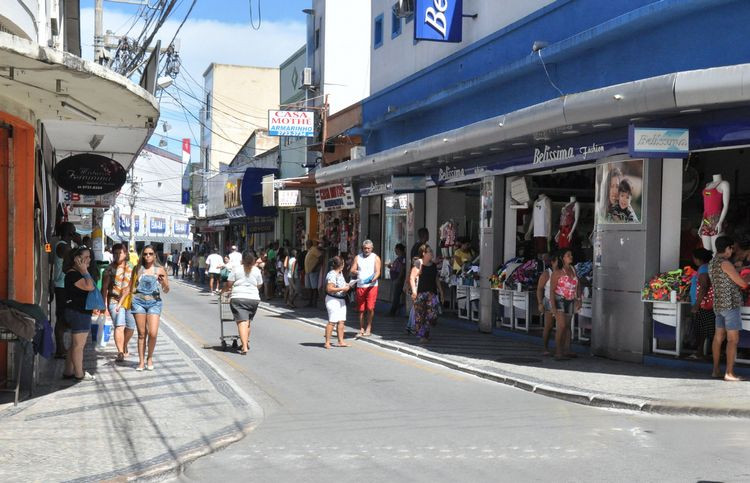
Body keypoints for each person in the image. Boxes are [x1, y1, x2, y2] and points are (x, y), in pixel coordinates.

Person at [709, 236, 750, 381]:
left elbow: (729, 272)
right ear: (727, 249)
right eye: (731, 248)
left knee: (718, 337)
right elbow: (742, 284)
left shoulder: (713, 263)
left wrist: (743, 268)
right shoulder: (726, 263)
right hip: (730, 305)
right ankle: (729, 373)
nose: (732, 251)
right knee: (733, 340)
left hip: (719, 305)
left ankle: (716, 370)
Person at [130, 245, 170, 371]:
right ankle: (141, 361)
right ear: (142, 255)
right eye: (145, 254)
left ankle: (150, 357)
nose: (148, 256)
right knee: (142, 334)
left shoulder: (160, 269)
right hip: (139, 302)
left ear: (154, 255)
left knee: (153, 333)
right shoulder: (138, 269)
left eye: (150, 254)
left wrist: (163, 282)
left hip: (154, 302)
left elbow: (166, 290)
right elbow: (131, 286)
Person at [62, 246, 96, 381]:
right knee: (78, 346)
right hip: (78, 312)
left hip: (77, 311)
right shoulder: (74, 274)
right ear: (77, 259)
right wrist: (84, 271)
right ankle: (79, 374)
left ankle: (68, 371)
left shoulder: (73, 274)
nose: (89, 259)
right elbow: (90, 286)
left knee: (74, 344)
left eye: (89, 256)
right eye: (86, 257)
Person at [101, 243, 135, 363]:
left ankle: (124, 344)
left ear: (125, 254)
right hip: (114, 300)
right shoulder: (109, 269)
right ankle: (120, 352)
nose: (117, 255)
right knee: (119, 326)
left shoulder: (131, 267)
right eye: (115, 253)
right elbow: (104, 288)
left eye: (120, 253)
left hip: (129, 300)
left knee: (130, 327)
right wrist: (103, 305)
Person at [224, 251, 263, 354]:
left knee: (242, 322)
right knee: (247, 322)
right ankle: (245, 343)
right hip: (253, 299)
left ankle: (244, 347)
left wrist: (225, 290)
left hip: (238, 298)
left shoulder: (236, 269)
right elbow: (259, 284)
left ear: (242, 259)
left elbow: (229, 283)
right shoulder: (256, 270)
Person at [52, 221, 81, 359]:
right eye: (73, 230)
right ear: (69, 232)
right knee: (61, 317)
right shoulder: (62, 247)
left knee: (65, 317)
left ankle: (61, 347)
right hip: (61, 286)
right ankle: (59, 348)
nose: (75, 232)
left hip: (66, 286)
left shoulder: (67, 245)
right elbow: (75, 259)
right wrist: (80, 244)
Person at [409, 245, 443, 344]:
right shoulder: (418, 263)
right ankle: (423, 335)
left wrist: (441, 291)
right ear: (424, 253)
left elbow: (436, 279)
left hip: (431, 293)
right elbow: (412, 277)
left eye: (431, 251)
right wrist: (414, 291)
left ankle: (426, 333)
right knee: (420, 315)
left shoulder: (433, 265)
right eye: (430, 251)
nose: (432, 253)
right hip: (420, 293)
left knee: (432, 315)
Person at [550, 249, 580, 360]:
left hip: (570, 299)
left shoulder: (573, 270)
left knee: (567, 326)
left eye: (571, 254)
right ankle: (558, 351)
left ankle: (567, 349)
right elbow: (552, 290)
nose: (571, 256)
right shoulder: (557, 273)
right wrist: (553, 306)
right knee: (562, 326)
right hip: (560, 299)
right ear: (563, 258)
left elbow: (578, 284)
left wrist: (578, 298)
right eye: (568, 255)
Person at [350, 240, 382, 337]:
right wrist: (356, 272)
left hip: (372, 286)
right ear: (362, 248)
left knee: (370, 308)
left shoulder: (375, 258)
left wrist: (372, 280)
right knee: (361, 309)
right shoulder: (357, 257)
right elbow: (352, 269)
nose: (367, 250)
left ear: (372, 248)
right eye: (365, 248)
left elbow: (378, 272)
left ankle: (369, 327)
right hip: (360, 286)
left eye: (368, 248)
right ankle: (361, 328)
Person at [689, 248, 715, 360]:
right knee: (705, 328)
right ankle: (704, 351)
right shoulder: (707, 267)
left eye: (694, 258)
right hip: (704, 304)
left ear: (698, 259)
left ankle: (700, 352)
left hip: (702, 304)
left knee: (702, 329)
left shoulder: (703, 268)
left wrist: (697, 304)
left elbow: (704, 286)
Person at [324, 256, 352, 349]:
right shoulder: (332, 274)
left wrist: (347, 285)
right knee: (332, 321)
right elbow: (329, 288)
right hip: (333, 299)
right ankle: (327, 342)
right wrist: (342, 288)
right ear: (341, 264)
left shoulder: (340, 273)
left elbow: (340, 285)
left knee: (341, 321)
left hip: (341, 299)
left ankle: (341, 341)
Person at [536, 254, 560, 356]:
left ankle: (559, 349)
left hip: (561, 301)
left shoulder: (563, 272)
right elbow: (540, 289)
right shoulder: (546, 274)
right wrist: (540, 303)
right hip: (549, 301)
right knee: (549, 326)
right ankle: (545, 347)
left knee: (562, 327)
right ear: (553, 262)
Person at [387, 243, 407, 317]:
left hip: (398, 279)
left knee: (396, 296)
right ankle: (394, 310)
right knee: (395, 295)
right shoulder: (399, 258)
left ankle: (393, 312)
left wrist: (399, 278)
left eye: (396, 249)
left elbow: (402, 268)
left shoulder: (402, 258)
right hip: (395, 278)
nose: (395, 251)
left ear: (398, 249)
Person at [304, 240, 323, 307]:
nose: (306, 245)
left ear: (310, 244)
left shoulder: (314, 249)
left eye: (307, 244)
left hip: (313, 271)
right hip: (308, 272)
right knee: (309, 288)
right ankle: (310, 302)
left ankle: (314, 303)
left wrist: (315, 267)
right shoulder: (309, 250)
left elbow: (320, 257)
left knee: (314, 288)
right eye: (306, 244)